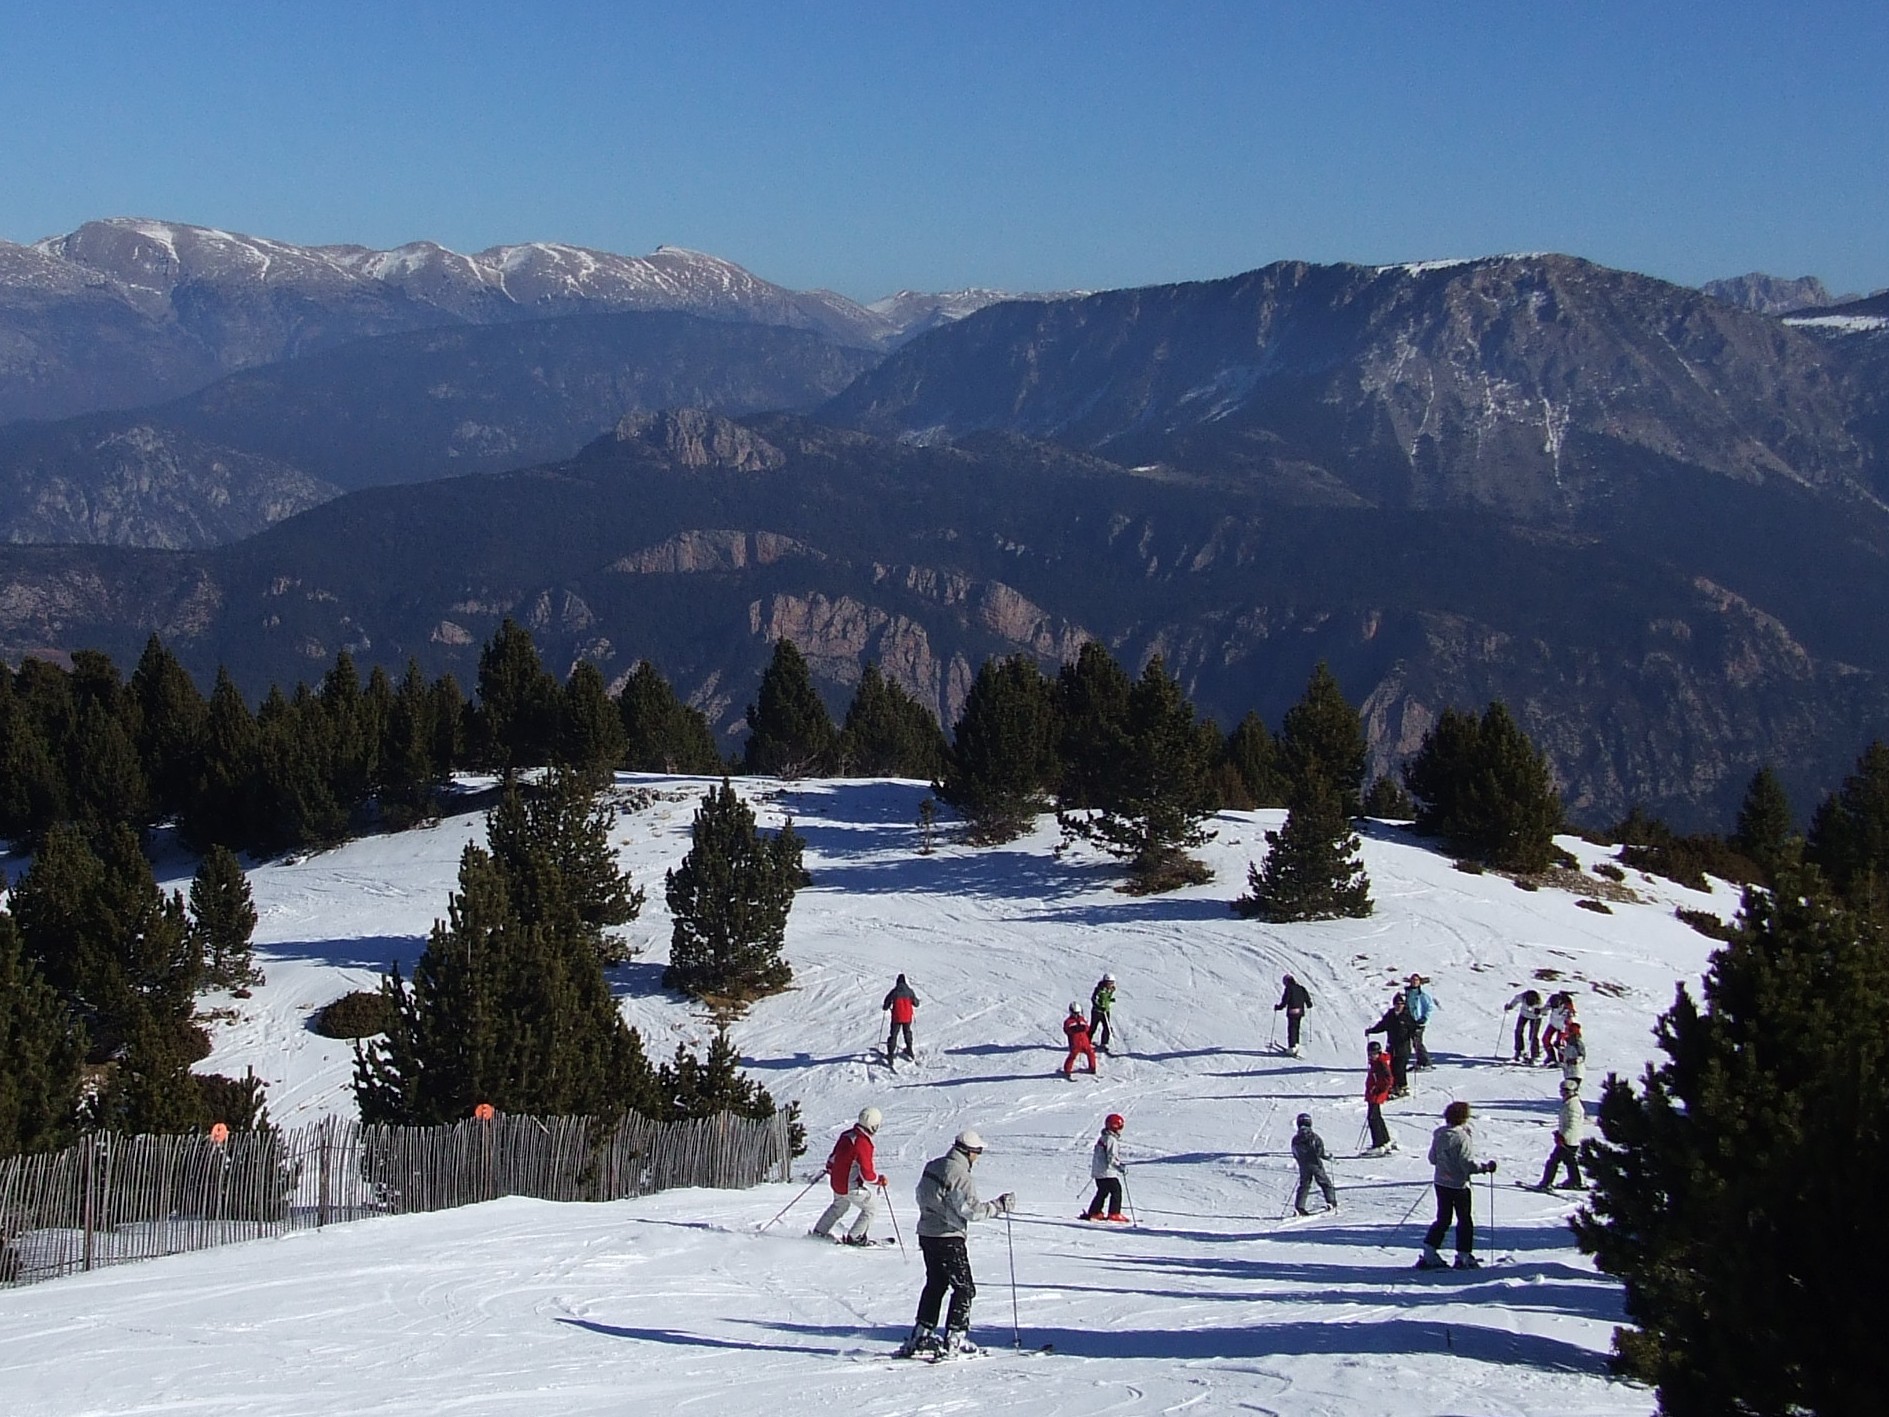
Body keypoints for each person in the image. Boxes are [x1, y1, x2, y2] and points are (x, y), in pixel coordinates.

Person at [898, 1129, 1016, 1359]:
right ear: (969, 1152)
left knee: (936, 1283)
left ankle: (921, 1334)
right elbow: (971, 1211)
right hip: (948, 1235)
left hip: (927, 1232)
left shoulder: (934, 1165)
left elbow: (921, 1194)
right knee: (964, 1288)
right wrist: (999, 1206)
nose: (978, 1157)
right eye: (978, 1152)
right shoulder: (959, 1174)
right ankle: (955, 1338)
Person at [1420, 1099, 1497, 1270]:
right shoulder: (1462, 1137)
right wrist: (1484, 1168)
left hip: (1441, 1182)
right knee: (1464, 1220)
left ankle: (1429, 1252)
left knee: (1443, 1219)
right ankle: (1464, 1255)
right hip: (1458, 1184)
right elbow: (1466, 1164)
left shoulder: (1439, 1133)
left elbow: (1433, 1159)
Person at [811, 1106, 887, 1245]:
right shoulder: (862, 1143)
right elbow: (867, 1174)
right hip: (849, 1186)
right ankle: (855, 1237)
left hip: (836, 1182)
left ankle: (819, 1232)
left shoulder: (847, 1135)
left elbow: (832, 1158)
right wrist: (879, 1180)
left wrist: (831, 1168)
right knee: (872, 1207)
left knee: (840, 1206)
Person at [1535, 1078, 1587, 1191]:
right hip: (1570, 1139)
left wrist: (1563, 1137)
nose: (1563, 1093)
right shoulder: (1569, 1103)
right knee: (1569, 1160)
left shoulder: (1573, 1106)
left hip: (1569, 1140)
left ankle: (1546, 1183)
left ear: (1574, 1092)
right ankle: (1575, 1181)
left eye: (1567, 1091)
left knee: (1553, 1161)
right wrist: (1559, 1133)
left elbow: (1573, 1125)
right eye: (1562, 1091)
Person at [1366, 992, 1417, 1097]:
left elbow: (1413, 1029)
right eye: (1397, 1003)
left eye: (1401, 1004)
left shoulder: (1407, 1016)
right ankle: (1393, 1087)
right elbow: (1382, 1026)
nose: (1399, 1006)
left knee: (1400, 1068)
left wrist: (1415, 1038)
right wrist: (1371, 1031)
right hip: (1391, 1046)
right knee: (1391, 1068)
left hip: (1403, 1047)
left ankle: (1403, 1087)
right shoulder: (1390, 1015)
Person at [1082, 1113, 1128, 1220]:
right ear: (1115, 1126)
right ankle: (1114, 1213)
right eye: (1120, 1127)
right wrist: (1119, 1166)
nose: (1121, 1130)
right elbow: (1111, 1158)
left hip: (1098, 1172)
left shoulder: (1103, 1138)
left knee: (1102, 1191)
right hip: (1107, 1172)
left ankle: (1095, 1211)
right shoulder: (1111, 1140)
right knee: (1116, 1190)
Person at [1291, 1113, 1338, 1214]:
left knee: (1304, 1185)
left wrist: (1300, 1160)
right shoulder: (1314, 1137)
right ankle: (1331, 1201)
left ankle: (1299, 1207)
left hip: (1303, 1165)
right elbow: (1320, 1152)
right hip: (1315, 1163)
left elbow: (1295, 1152)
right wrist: (1328, 1157)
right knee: (1325, 1183)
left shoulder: (1295, 1139)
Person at [1364, 1041, 1397, 1154]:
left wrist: (1378, 1089)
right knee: (1376, 1117)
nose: (1370, 1056)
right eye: (1369, 1053)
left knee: (1373, 1118)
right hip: (1374, 1094)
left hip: (1376, 1095)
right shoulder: (1376, 1062)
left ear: (1378, 1052)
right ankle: (1385, 1140)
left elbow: (1389, 1079)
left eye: (1373, 1053)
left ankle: (1378, 1144)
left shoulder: (1381, 1063)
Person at [883, 974, 919, 1063]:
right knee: (907, 1032)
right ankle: (909, 1049)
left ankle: (890, 1055)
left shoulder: (894, 992)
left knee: (893, 1035)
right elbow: (916, 1003)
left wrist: (885, 1007)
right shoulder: (910, 991)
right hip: (907, 1017)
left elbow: (887, 1002)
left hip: (897, 1017)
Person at [1274, 974, 1312, 1056]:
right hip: (1300, 1011)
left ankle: (1292, 1047)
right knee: (1297, 1028)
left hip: (1292, 1011)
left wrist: (1278, 1007)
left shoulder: (1289, 989)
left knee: (1291, 1029)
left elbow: (1285, 1000)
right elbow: (1307, 998)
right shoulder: (1301, 988)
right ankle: (1296, 1045)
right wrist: (1309, 1004)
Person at [1404, 974, 1437, 1069]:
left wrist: (1424, 1018)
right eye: (1413, 980)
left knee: (1417, 1041)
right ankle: (1420, 1062)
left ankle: (1426, 1062)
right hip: (1409, 1021)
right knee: (1410, 1042)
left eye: (1416, 980)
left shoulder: (1422, 994)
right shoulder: (1407, 993)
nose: (1414, 982)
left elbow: (1429, 1007)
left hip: (1419, 1021)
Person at [1504, 989, 1545, 1064]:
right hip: (1523, 1015)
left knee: (1533, 1035)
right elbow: (1516, 999)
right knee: (1518, 1031)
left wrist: (1540, 1011)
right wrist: (1510, 1006)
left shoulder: (1540, 1002)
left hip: (1536, 1017)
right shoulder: (1522, 996)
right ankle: (1519, 1051)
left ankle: (1535, 1054)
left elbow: (1545, 1010)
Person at [1062, 1002, 1098, 1078]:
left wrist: (1084, 1027)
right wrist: (1074, 1029)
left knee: (1091, 1053)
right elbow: (1066, 1030)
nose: (1077, 1015)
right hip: (1075, 1043)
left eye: (1078, 1013)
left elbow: (1087, 1028)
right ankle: (1067, 1070)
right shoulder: (1068, 1021)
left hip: (1085, 1042)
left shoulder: (1082, 1019)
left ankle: (1092, 1067)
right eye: (1075, 1013)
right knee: (1072, 1056)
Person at [1090, 973, 1117, 1053]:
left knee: (1107, 1027)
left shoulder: (1111, 989)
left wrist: (1110, 1000)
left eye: (1112, 983)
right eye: (1109, 983)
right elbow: (1094, 999)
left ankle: (1104, 1043)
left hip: (1106, 1011)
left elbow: (1106, 998)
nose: (1111, 985)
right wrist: (1099, 1006)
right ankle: (1086, 1041)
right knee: (1093, 1027)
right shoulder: (1099, 989)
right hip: (1097, 1011)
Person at [1560, 1020, 1587, 1088]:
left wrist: (1575, 1060)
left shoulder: (1578, 1043)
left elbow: (1582, 1055)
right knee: (1568, 1087)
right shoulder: (1569, 1042)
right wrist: (1560, 1049)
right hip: (1568, 1071)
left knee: (1572, 1088)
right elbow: (1568, 1053)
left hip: (1576, 1071)